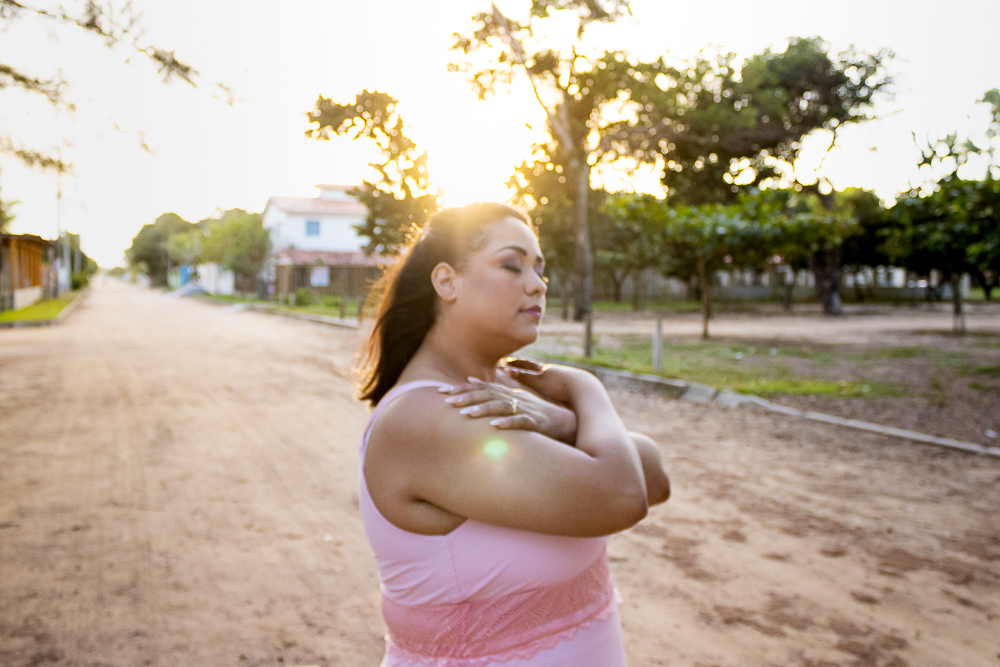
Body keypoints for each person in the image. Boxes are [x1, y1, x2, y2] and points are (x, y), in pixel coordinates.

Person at [356, 203, 670, 666]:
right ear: (447, 282)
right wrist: (586, 387)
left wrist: (563, 421)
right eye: (512, 264)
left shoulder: (511, 390)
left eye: (540, 269)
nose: (538, 284)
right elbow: (623, 494)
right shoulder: (427, 416)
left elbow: (655, 474)